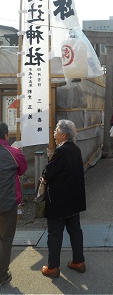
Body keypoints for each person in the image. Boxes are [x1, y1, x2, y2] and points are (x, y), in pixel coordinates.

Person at [41, 119, 86, 278]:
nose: (54, 134)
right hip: (74, 199)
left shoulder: (61, 151)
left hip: (59, 201)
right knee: (75, 230)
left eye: (56, 131)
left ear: (63, 134)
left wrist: (44, 174)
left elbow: (48, 173)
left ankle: (52, 267)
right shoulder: (75, 149)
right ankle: (78, 261)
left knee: (54, 233)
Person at [0, 122, 27, 288]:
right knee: (5, 239)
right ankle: (2, 275)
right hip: (6, 204)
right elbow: (22, 170)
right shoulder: (13, 152)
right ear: (5, 135)